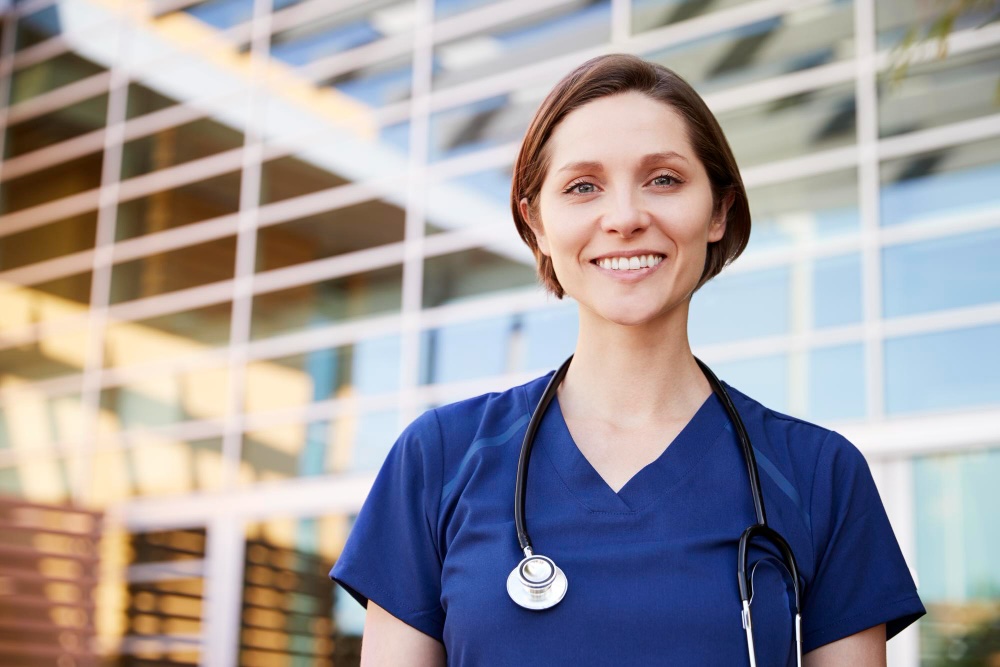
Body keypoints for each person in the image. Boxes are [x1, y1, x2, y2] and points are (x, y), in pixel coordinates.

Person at [330, 53, 925, 666]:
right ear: (536, 223)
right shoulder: (439, 459)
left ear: (719, 210)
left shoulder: (818, 474)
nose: (625, 218)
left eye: (663, 179)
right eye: (583, 186)